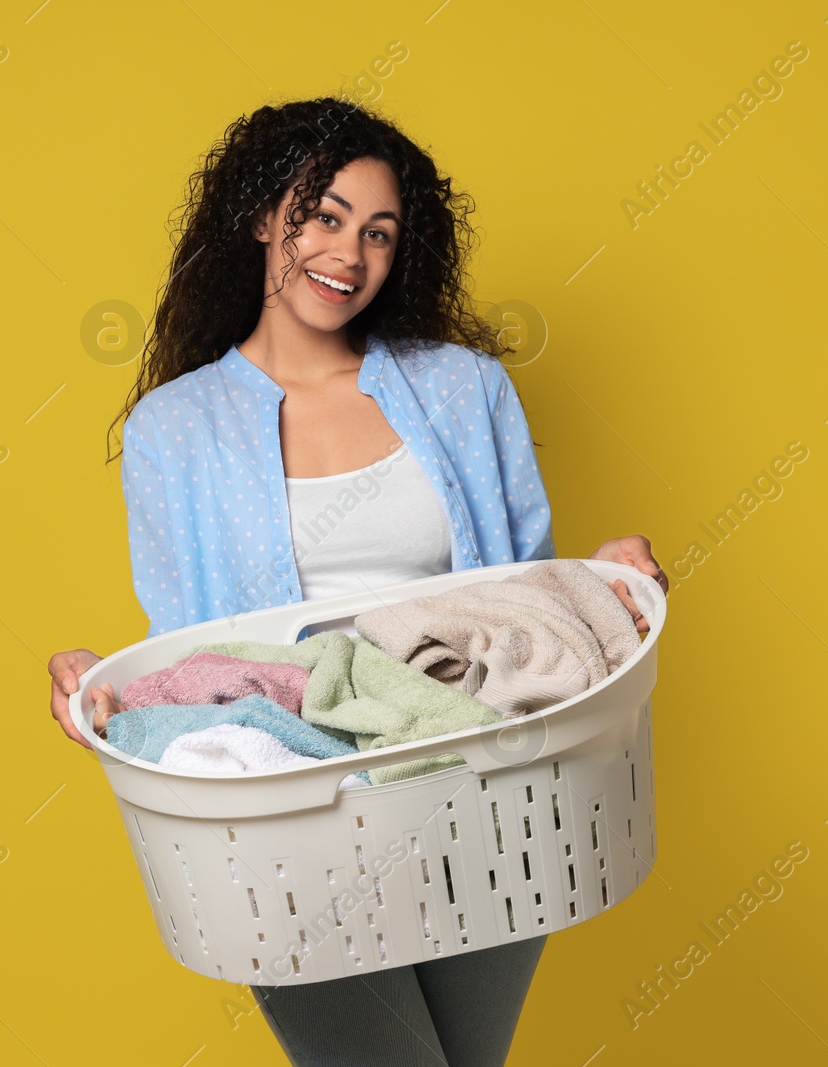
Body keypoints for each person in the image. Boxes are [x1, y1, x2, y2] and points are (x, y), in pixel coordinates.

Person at [49, 96, 668, 1067]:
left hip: (481, 774)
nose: (352, 251)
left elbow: (526, 599)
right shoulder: (174, 430)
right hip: (292, 798)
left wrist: (610, 583)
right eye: (325, 215)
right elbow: (190, 651)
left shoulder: (465, 388)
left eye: (379, 230)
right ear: (261, 215)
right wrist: (109, 687)